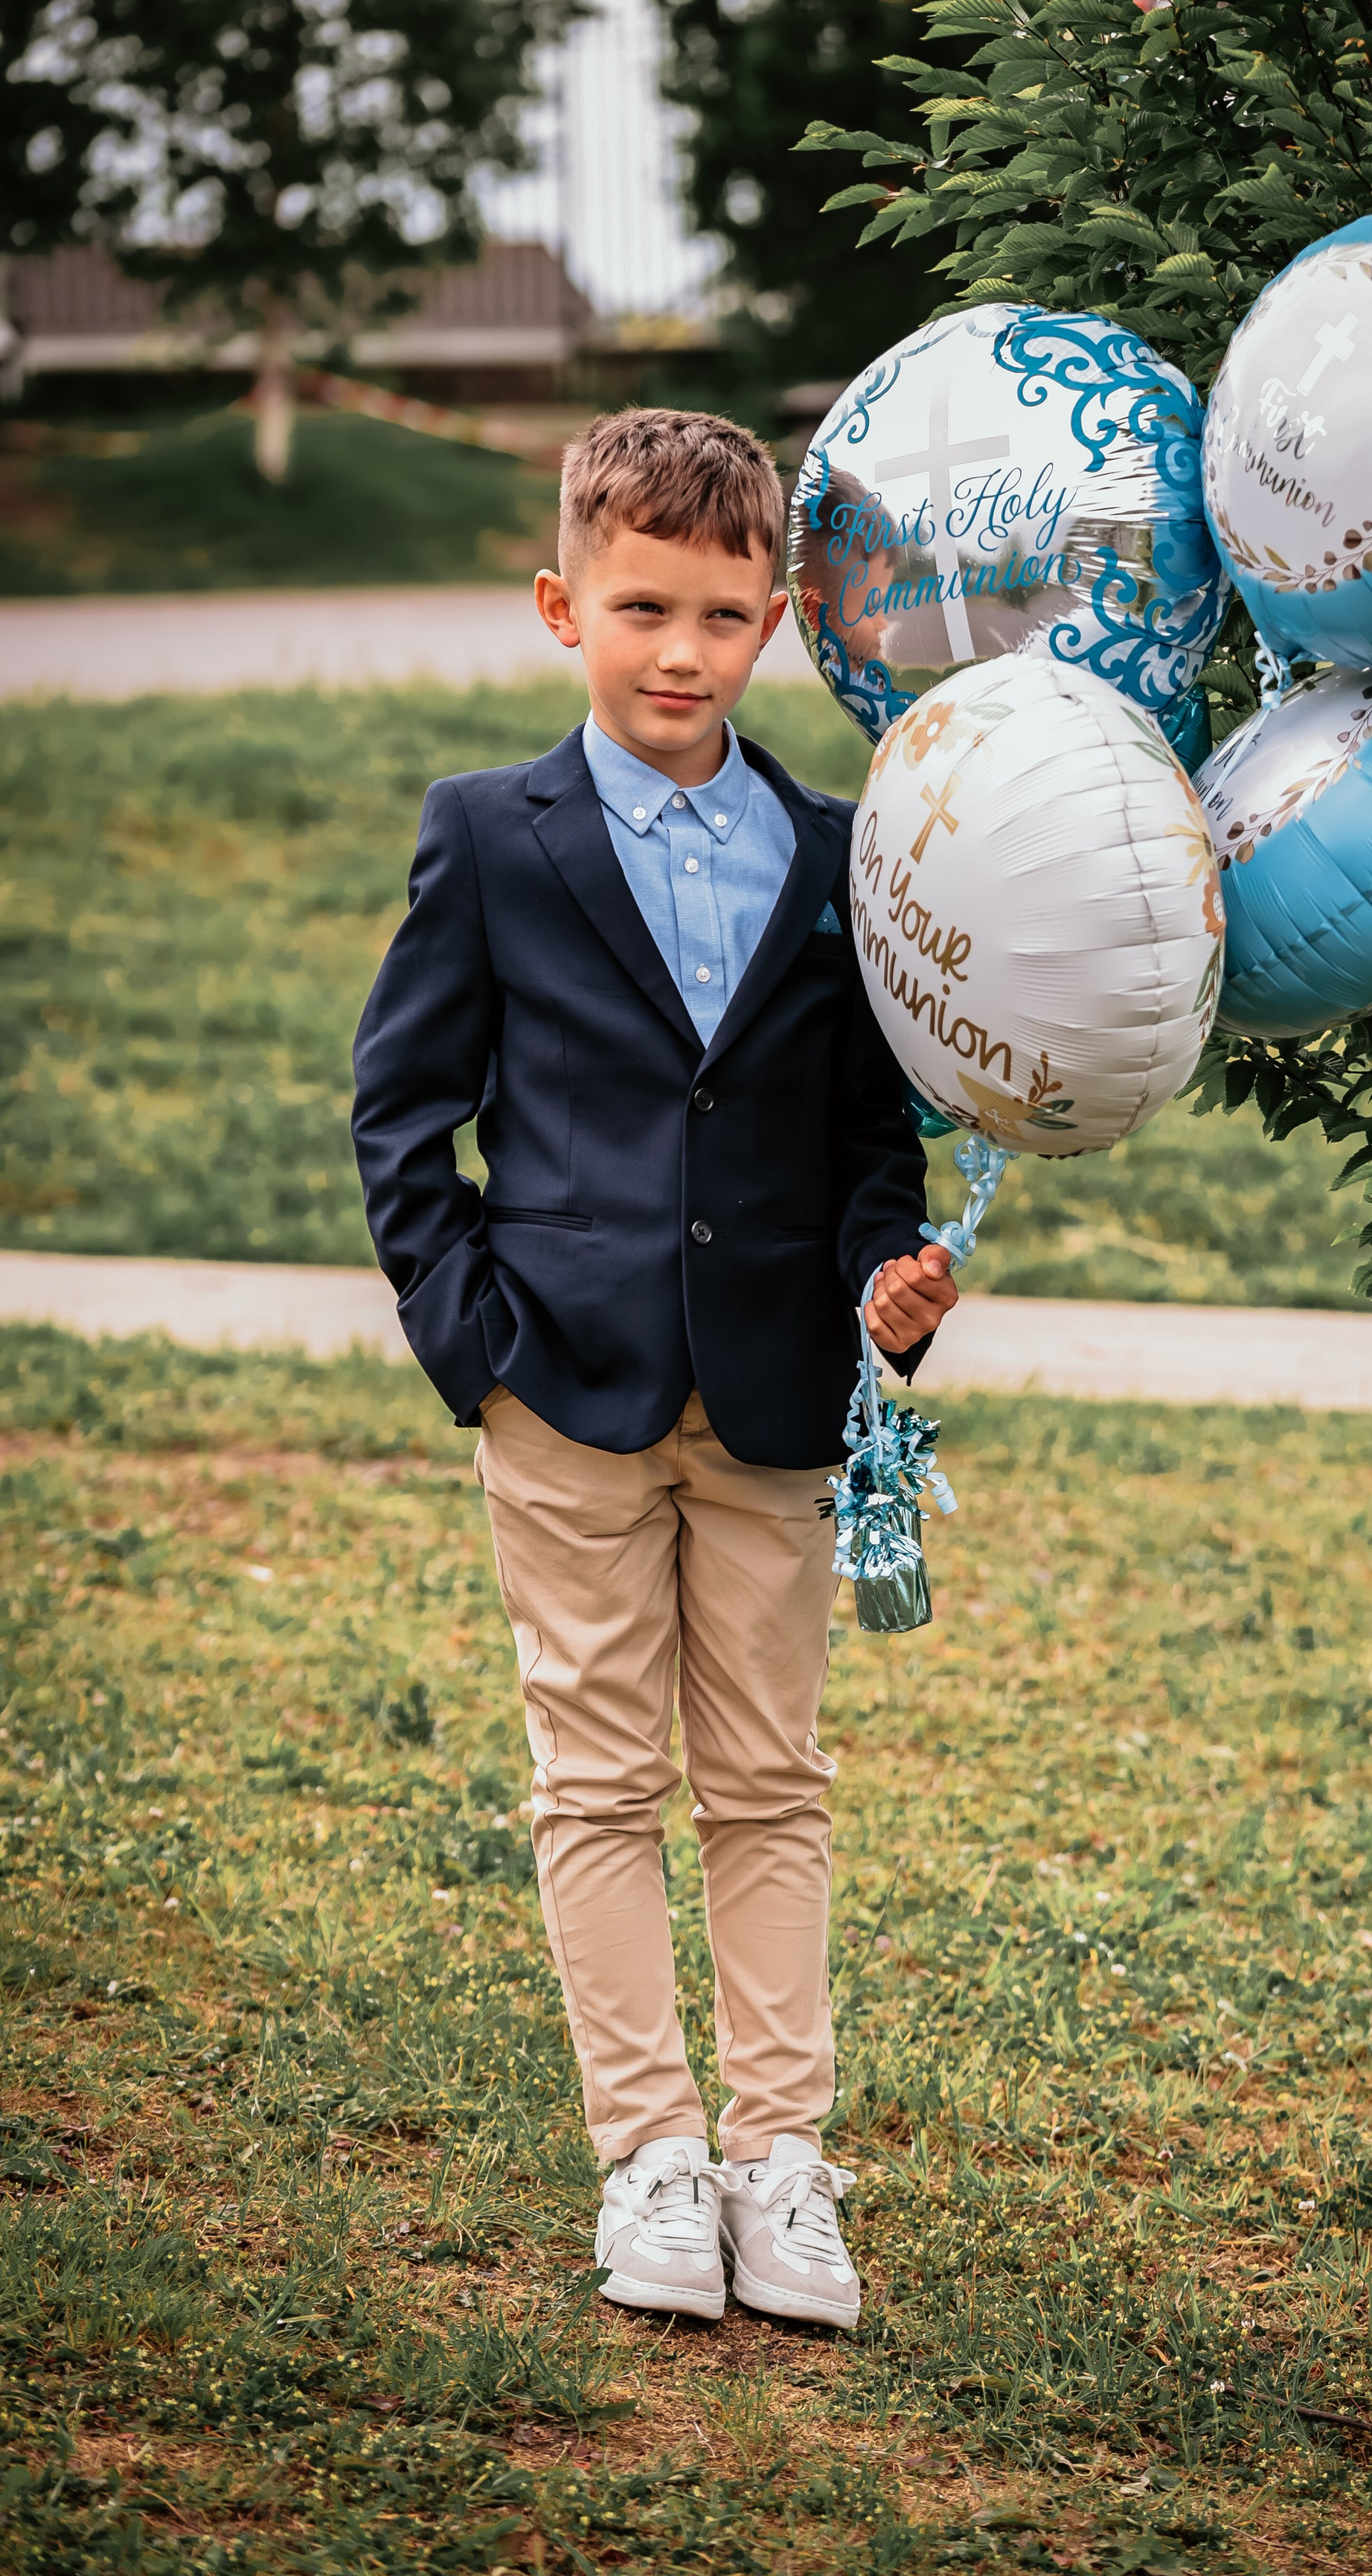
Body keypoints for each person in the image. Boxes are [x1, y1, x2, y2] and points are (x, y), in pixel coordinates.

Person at [351, 408, 959, 2330]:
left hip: (777, 1396)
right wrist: (473, 1343)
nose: (679, 652)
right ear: (564, 607)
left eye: (718, 614)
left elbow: (869, 1146)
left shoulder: (841, 855)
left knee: (770, 1782)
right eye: (640, 609)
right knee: (600, 1777)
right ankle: (653, 2157)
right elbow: (404, 1111)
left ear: (777, 618)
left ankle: (782, 2161)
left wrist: (886, 1284)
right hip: (562, 1389)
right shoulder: (489, 836)